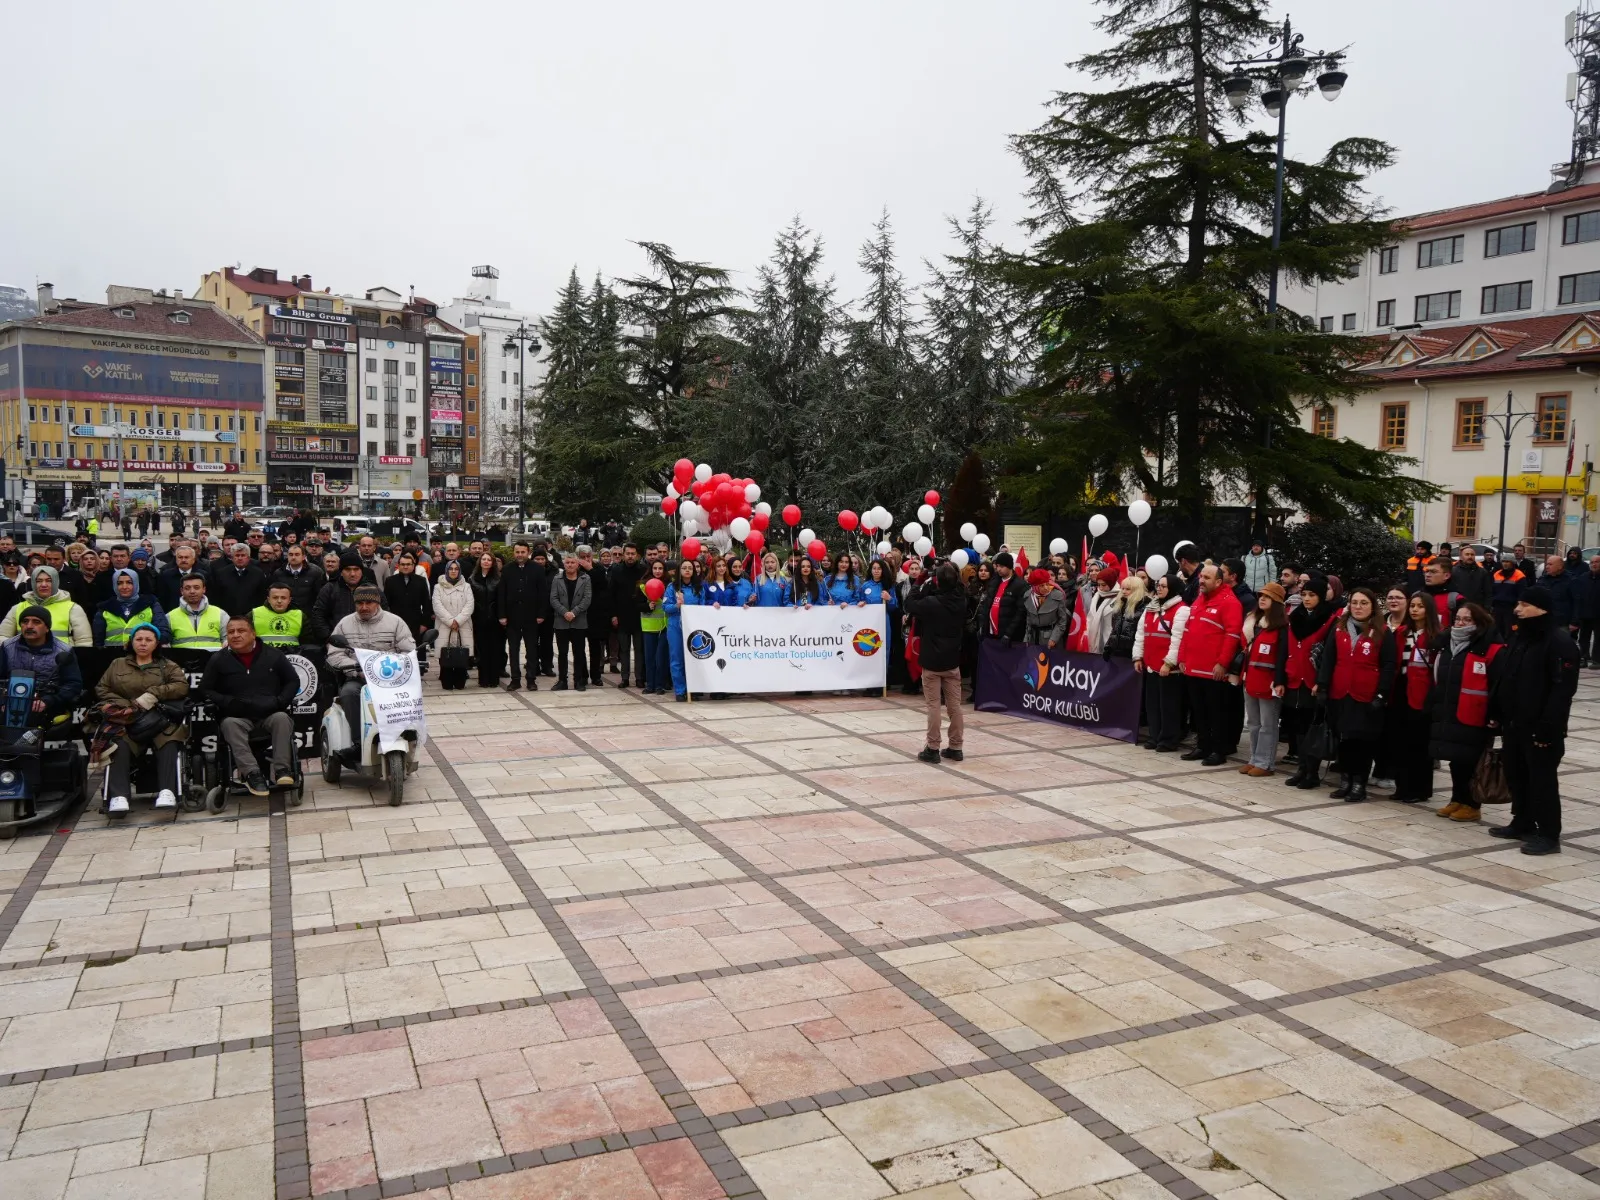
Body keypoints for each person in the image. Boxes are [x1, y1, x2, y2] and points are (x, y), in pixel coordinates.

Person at [1487, 585, 1580, 855]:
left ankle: (1549, 835)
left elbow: (1562, 692)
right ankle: (1523, 822)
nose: (1517, 610)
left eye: (1524, 605)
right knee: (1517, 775)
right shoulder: (1521, 637)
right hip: (1515, 723)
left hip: (1541, 728)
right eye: (1518, 604)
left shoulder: (1559, 642)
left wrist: (1547, 729)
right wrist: (1496, 711)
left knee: (1542, 781)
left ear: (1542, 609)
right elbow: (1506, 675)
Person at [199, 615, 299, 796]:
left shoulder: (273, 655)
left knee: (282, 718)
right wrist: (227, 702)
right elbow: (205, 689)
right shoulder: (218, 660)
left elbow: (292, 681)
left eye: (241, 631)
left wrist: (279, 701)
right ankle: (253, 774)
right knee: (229, 723)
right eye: (231, 632)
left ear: (253, 634)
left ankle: (282, 771)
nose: (235, 635)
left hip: (269, 714)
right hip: (238, 717)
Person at [95, 622, 188, 813]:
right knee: (117, 743)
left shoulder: (167, 666)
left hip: (159, 720)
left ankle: (167, 792)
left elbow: (181, 686)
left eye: (148, 640)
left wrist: (153, 694)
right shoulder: (117, 664)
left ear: (156, 644)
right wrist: (126, 705)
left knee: (170, 741)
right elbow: (102, 689)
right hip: (127, 721)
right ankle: (119, 796)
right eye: (138, 639)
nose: (143, 643)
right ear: (131, 642)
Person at [1315, 587, 1390, 803]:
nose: (1358, 607)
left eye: (1363, 603)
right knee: (1344, 740)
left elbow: (1388, 665)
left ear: (1372, 606)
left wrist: (1381, 694)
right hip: (1340, 693)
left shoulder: (1382, 631)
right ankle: (1345, 780)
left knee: (1362, 742)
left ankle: (1359, 783)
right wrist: (1322, 686)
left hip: (1366, 697)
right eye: (1355, 602)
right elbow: (1328, 659)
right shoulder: (1339, 629)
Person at [1431, 603, 1501, 824]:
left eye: (1466, 620)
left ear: (1478, 622)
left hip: (1475, 714)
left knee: (1472, 761)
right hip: (1450, 711)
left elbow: (1497, 685)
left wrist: (1495, 714)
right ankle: (1457, 799)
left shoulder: (1490, 647)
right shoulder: (1448, 645)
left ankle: (1472, 804)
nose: (1460, 623)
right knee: (1455, 759)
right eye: (1458, 619)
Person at [326, 584, 416, 746]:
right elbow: (334, 654)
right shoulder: (344, 624)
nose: (364, 607)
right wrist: (355, 668)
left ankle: (404, 733)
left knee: (408, 695)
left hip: (390, 679)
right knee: (348, 693)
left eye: (369, 603)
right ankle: (357, 742)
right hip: (357, 678)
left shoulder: (395, 622)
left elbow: (408, 651)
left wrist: (393, 667)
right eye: (360, 603)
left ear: (378, 603)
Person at [1178, 564, 1244, 766]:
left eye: (1207, 577)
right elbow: (1188, 630)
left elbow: (1232, 635)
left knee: (1217, 712)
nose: (1201, 580)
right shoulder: (1199, 600)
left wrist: (1223, 663)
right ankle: (1203, 746)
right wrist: (1182, 657)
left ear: (1218, 581)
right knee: (1199, 712)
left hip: (1213, 670)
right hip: (1193, 666)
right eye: (1201, 577)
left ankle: (1219, 750)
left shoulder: (1230, 603)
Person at [1382, 591, 1440, 804]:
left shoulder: (1435, 634)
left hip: (1423, 693)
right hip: (1400, 689)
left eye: (1420, 606)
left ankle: (1420, 789)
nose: (1415, 609)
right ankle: (1402, 786)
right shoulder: (1402, 632)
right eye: (1413, 605)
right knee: (1400, 741)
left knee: (1419, 744)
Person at [906, 562, 966, 764]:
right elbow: (957, 586)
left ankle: (933, 747)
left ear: (937, 582)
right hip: (951, 661)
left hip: (932, 661)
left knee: (933, 705)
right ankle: (956, 746)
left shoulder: (932, 602)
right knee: (954, 706)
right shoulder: (961, 600)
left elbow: (910, 603)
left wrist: (919, 580)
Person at [0, 606, 84, 735]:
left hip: (48, 708)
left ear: (47, 627)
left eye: (36, 622)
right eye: (25, 621)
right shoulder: (7, 647)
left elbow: (73, 685)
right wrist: (3, 701)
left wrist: (48, 701)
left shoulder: (64, 651)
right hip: (9, 705)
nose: (29, 626)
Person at [1133, 573, 1189, 752]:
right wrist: (1138, 657)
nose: (1159, 588)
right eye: (1158, 585)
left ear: (1172, 588)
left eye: (1163, 586)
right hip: (1150, 665)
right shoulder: (1151, 608)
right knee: (1152, 705)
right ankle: (1155, 736)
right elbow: (1141, 635)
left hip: (1168, 669)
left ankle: (1168, 739)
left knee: (1169, 706)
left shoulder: (1181, 610)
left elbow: (1178, 640)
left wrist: (1169, 663)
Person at [1238, 582, 1289, 777]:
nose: (1262, 599)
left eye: (1267, 596)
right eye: (1261, 595)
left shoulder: (1282, 627)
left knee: (1268, 724)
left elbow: (1282, 656)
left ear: (1276, 602)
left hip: (1269, 682)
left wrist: (1279, 681)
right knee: (1253, 722)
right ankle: (1254, 758)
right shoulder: (1255, 625)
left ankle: (1265, 762)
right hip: (1251, 678)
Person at [497, 542, 548, 692]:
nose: (520, 555)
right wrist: (502, 615)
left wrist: (541, 614)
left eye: (523, 552)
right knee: (513, 649)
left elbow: (543, 593)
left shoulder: (537, 569)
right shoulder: (507, 569)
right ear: (514, 553)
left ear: (528, 552)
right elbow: (502, 593)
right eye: (517, 552)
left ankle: (531, 679)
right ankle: (515, 679)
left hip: (531, 617)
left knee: (531, 649)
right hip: (512, 617)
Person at [0, 566, 93, 646]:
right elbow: (3, 637)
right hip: (23, 662)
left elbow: (84, 641)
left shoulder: (73, 609)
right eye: (39, 581)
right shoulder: (18, 608)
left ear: (56, 582)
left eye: (49, 581)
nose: (43, 585)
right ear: (33, 583)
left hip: (61, 662)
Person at [95, 567, 171, 648]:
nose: (124, 587)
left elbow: (164, 634)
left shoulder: (151, 604)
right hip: (113, 657)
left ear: (136, 583)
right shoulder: (105, 608)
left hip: (143, 656)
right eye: (120, 583)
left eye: (129, 582)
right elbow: (98, 640)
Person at [383, 552, 434, 672]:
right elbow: (386, 604)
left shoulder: (420, 580)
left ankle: (418, 672)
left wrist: (424, 624)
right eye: (403, 564)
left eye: (408, 564)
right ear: (398, 566)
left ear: (413, 565)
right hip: (395, 622)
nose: (405, 567)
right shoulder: (390, 581)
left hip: (416, 622)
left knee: (416, 649)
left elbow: (427, 604)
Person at [550, 550, 593, 691]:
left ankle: (579, 680)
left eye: (572, 562)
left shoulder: (585, 579)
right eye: (567, 562)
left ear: (577, 564)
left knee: (579, 652)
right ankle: (562, 680)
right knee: (562, 653)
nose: (570, 565)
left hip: (579, 621)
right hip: (561, 621)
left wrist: (574, 612)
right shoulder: (557, 579)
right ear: (564, 563)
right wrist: (564, 612)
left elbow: (587, 599)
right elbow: (553, 599)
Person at [663, 558, 703, 701]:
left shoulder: (699, 588)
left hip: (694, 627)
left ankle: (694, 688)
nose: (687, 570)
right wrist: (677, 606)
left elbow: (703, 607)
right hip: (676, 626)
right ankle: (680, 690)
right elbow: (665, 607)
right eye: (684, 567)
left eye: (690, 568)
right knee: (677, 658)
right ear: (679, 570)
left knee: (694, 658)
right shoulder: (672, 588)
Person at [610, 543, 647, 689]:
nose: (630, 556)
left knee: (639, 649)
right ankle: (624, 678)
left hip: (639, 616)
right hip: (622, 616)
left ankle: (639, 678)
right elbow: (611, 595)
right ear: (623, 554)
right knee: (623, 650)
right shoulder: (616, 570)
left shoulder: (643, 570)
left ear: (637, 555)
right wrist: (613, 615)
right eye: (628, 553)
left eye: (633, 553)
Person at [432, 559, 474, 689]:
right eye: (451, 569)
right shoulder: (438, 587)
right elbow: (437, 606)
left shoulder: (466, 586)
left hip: (463, 625)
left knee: (461, 653)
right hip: (445, 625)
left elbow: (469, 605)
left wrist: (458, 620)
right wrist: (451, 621)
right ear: (446, 570)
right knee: (446, 654)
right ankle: (447, 681)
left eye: (456, 569)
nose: (453, 571)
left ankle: (460, 680)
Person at [576, 546, 609, 687]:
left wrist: (590, 568)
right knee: (579, 647)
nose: (585, 559)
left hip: (595, 614)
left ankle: (596, 676)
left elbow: (602, 583)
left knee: (595, 647)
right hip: (578, 613)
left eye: (588, 556)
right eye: (582, 557)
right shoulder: (575, 569)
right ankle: (582, 675)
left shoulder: (598, 568)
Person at [471, 551, 504, 688]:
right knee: (481, 650)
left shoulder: (498, 579)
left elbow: (502, 600)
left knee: (495, 649)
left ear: (492, 563)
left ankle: (494, 679)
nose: (486, 562)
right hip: (478, 619)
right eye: (483, 559)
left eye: (489, 560)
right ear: (480, 562)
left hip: (495, 620)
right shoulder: (472, 579)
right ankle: (483, 678)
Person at [210, 542, 268, 621]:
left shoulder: (258, 574)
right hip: (227, 617)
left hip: (252, 617)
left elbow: (262, 597)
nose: (240, 558)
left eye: (243, 555)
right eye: (237, 555)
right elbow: (216, 597)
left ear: (248, 558)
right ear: (232, 557)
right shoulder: (221, 574)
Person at [169, 573, 227, 651]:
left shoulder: (220, 614)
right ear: (182, 591)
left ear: (204, 589)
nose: (192, 591)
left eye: (196, 588)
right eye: (187, 588)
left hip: (213, 661)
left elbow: (228, 639)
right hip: (180, 662)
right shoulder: (170, 616)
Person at [639, 559, 670, 696]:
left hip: (665, 626)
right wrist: (647, 606)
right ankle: (650, 685)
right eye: (655, 568)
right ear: (651, 570)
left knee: (661, 657)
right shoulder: (642, 586)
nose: (657, 571)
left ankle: (660, 685)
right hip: (649, 626)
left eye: (660, 568)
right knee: (649, 657)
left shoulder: (669, 586)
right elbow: (636, 605)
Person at [1104, 574, 1148, 660]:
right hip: (1116, 652)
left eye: (1128, 589)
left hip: (1132, 654)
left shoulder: (1144, 608)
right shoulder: (1119, 605)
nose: (1123, 591)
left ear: (1137, 590)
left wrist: (1138, 655)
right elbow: (1114, 630)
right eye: (1122, 588)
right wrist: (1108, 647)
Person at [1022, 567, 1069, 648]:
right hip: (1033, 639)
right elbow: (1028, 621)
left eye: (1047, 584)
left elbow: (1062, 621)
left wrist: (1054, 639)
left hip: (1051, 639)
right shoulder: (1027, 596)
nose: (1046, 587)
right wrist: (1026, 639)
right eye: (1042, 585)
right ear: (1035, 586)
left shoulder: (1057, 596)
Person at [272, 543, 326, 614]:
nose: (293, 557)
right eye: (291, 554)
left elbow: (320, 597)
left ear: (303, 557)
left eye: (297, 554)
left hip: (308, 615)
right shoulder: (279, 573)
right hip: (285, 614)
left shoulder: (316, 572)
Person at [1492, 555, 1529, 640]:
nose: (1505, 564)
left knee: (1510, 630)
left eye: (1507, 562)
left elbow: (1522, 593)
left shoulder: (1519, 575)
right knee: (1497, 629)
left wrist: (1517, 607)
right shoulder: (1496, 574)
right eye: (1503, 561)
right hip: (1497, 606)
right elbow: (1491, 590)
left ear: (1513, 563)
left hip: (1511, 607)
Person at [1450, 545, 1493, 610]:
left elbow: (1488, 592)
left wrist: (1487, 608)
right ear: (1461, 557)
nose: (1470, 556)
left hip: (1477, 608)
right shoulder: (1453, 571)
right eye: (1467, 554)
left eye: (1472, 555)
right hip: (1458, 607)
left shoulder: (1482, 572)